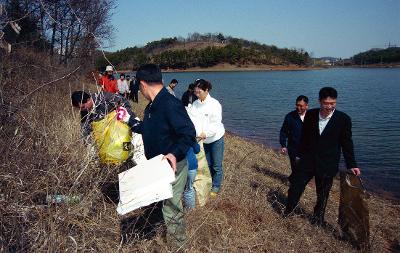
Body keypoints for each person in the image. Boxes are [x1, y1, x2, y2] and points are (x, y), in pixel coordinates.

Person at [118, 64, 196, 247]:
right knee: (164, 202)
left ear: (142, 84)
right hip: (158, 166)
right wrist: (129, 121)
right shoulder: (154, 106)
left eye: (139, 86)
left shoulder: (170, 104)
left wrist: (174, 153)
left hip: (173, 165)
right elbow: (149, 128)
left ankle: (179, 246)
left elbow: (188, 133)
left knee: (171, 206)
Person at [284, 87, 361, 226]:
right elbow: (304, 137)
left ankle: (318, 219)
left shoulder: (343, 119)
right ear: (319, 101)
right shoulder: (311, 114)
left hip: (328, 163)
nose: (330, 106)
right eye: (326, 103)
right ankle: (288, 211)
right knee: (296, 186)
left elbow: (347, 143)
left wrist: (352, 164)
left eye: (333, 103)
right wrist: (299, 155)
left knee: (323, 194)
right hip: (307, 160)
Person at [191, 79, 225, 196]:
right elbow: (193, 121)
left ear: (206, 90)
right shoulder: (195, 104)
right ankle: (209, 182)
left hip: (215, 138)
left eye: (199, 92)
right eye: (195, 92)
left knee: (216, 164)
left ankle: (216, 186)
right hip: (202, 139)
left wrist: (205, 133)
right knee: (208, 163)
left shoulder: (215, 104)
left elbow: (215, 124)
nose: (197, 94)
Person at [279, 95, 309, 179]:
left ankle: (294, 180)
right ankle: (294, 184)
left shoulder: (312, 117)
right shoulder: (290, 117)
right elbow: (283, 131)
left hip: (307, 149)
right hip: (293, 148)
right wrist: (283, 145)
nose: (298, 107)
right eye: (297, 105)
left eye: (301, 106)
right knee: (296, 168)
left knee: (305, 169)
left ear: (307, 106)